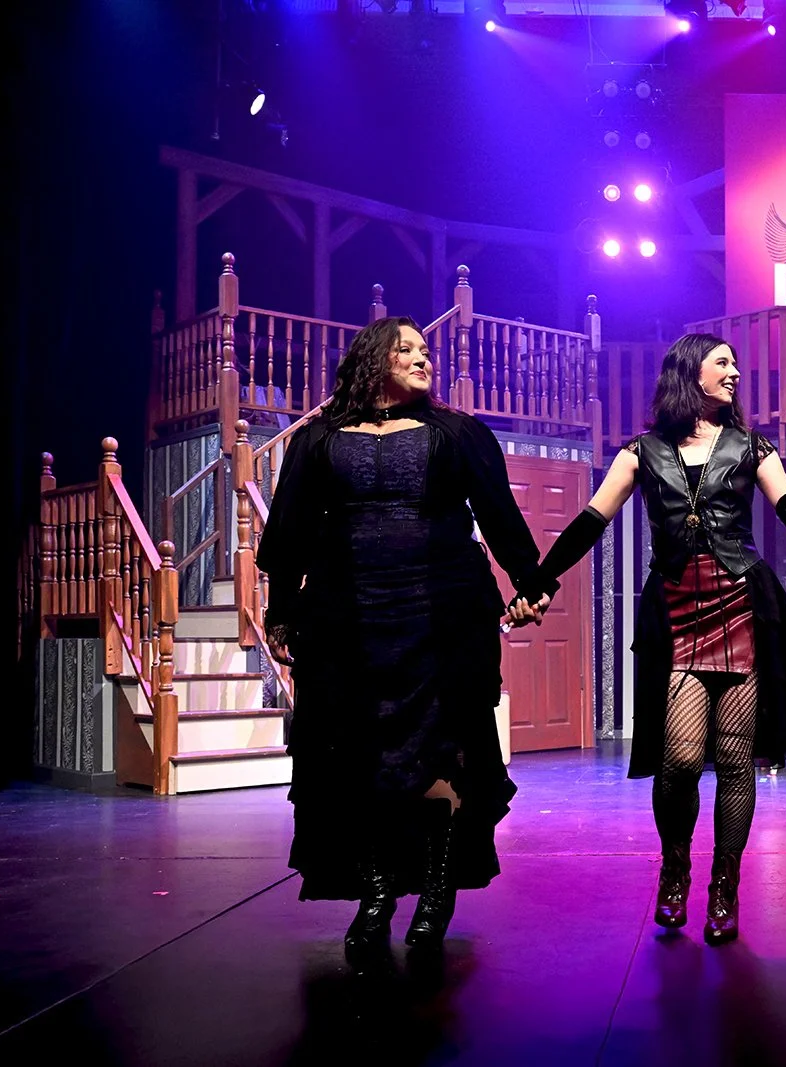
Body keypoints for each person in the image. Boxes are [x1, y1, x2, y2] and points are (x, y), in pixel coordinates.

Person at [525, 333, 786, 946]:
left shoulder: (751, 447)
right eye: (724, 363)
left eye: (737, 364)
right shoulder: (641, 452)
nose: (737, 372)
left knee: (737, 760)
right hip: (678, 608)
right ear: (692, 372)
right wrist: (538, 577)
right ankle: (675, 868)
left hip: (739, 601)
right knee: (683, 756)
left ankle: (724, 884)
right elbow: (589, 522)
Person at [255, 316, 551, 958]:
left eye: (426, 350)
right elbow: (290, 534)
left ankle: (438, 890)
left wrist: (529, 583)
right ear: (373, 359)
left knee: (441, 751)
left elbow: (498, 513)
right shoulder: (320, 440)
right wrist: (281, 614)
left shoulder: (458, 434)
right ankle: (377, 891)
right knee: (357, 755)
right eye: (407, 349)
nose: (423, 358)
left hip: (441, 615)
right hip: (346, 618)